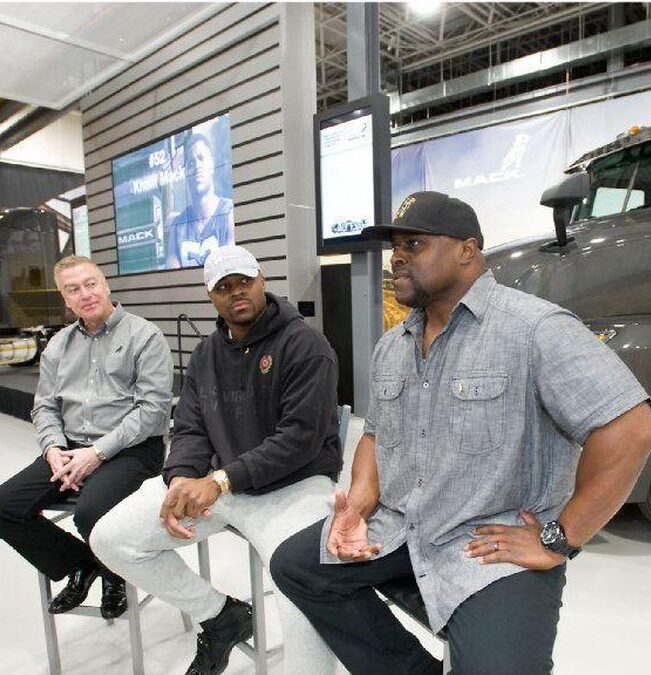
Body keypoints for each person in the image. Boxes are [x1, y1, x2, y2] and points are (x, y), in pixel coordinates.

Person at [270, 191, 651, 675]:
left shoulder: (534, 328)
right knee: (296, 566)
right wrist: (361, 502)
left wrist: (560, 538)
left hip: (489, 547)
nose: (398, 257)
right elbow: (376, 434)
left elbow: (630, 425)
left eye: (415, 244)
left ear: (467, 251)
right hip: (403, 529)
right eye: (396, 248)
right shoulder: (393, 344)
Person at [91, 245, 342, 675]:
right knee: (110, 538)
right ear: (211, 295)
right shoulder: (207, 353)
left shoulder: (305, 345)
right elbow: (189, 426)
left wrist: (220, 480)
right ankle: (221, 615)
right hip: (220, 487)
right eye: (223, 287)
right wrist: (180, 479)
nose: (236, 293)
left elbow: (299, 440)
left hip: (293, 489)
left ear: (261, 279)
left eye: (243, 281)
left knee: (305, 606)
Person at [0, 255, 173, 620]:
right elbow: (44, 406)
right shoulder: (58, 345)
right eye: (73, 289)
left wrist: (96, 453)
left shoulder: (145, 335)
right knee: (5, 505)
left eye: (91, 284)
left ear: (105, 284)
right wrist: (53, 449)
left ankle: (115, 576)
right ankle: (84, 564)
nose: (85, 294)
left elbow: (152, 411)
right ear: (66, 299)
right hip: (69, 449)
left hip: (131, 450)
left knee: (91, 510)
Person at [166, 132, 234, 269]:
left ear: (212, 163)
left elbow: (229, 272)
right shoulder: (177, 226)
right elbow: (172, 280)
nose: (197, 166)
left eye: (201, 158)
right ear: (185, 172)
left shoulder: (229, 213)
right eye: (191, 163)